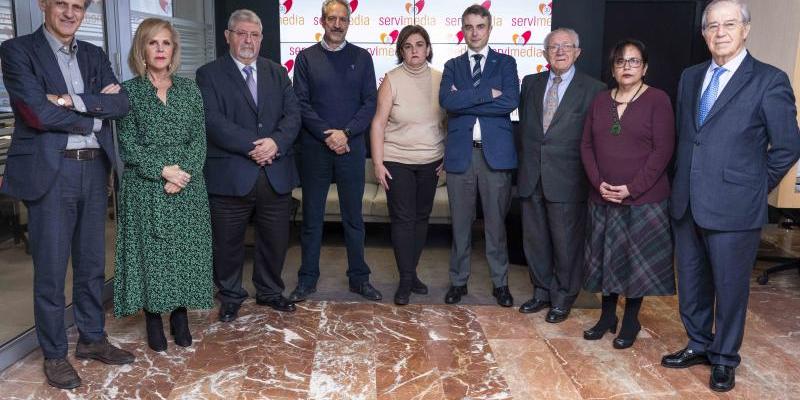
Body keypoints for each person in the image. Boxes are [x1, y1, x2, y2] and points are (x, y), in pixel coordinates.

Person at [664, 0, 800, 392]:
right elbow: (691, 138)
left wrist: (755, 187)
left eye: (728, 24)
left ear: (746, 30)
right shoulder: (690, 77)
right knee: (691, 282)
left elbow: (788, 146)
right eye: (711, 26)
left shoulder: (769, 80)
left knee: (730, 287)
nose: (719, 32)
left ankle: (724, 358)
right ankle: (698, 343)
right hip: (687, 200)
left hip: (736, 206)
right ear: (703, 33)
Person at [0, 0, 134, 389]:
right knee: (52, 270)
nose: (70, 12)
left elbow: (121, 104)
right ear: (44, 5)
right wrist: (94, 113)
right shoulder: (18, 51)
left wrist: (68, 101)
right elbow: (36, 114)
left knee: (92, 264)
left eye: (78, 6)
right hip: (51, 171)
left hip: (94, 168)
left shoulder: (93, 54)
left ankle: (92, 339)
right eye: (62, 3)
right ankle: (56, 354)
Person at [113, 18, 213, 352]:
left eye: (166, 43)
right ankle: (153, 318)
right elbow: (127, 144)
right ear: (142, 48)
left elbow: (199, 141)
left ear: (173, 50)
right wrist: (163, 171)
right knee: (152, 254)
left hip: (188, 186)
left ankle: (180, 316)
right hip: (146, 186)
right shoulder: (129, 92)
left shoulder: (189, 90)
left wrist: (182, 174)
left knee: (183, 252)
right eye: (153, 43)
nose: (159, 49)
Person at [196, 9, 301, 322]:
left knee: (274, 239)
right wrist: (254, 146)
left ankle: (269, 291)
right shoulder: (208, 74)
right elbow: (212, 120)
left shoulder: (277, 72)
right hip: (231, 175)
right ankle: (230, 295)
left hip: (275, 172)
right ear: (228, 36)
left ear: (261, 39)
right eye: (241, 33)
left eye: (254, 35)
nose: (248, 40)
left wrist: (276, 143)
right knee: (227, 243)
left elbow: (293, 115)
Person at [580, 39, 675, 349]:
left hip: (643, 200)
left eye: (634, 61)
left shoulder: (658, 100)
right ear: (613, 68)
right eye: (621, 62)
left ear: (645, 67)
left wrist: (632, 188)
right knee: (605, 260)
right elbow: (586, 146)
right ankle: (608, 317)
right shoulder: (599, 100)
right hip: (603, 197)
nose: (627, 67)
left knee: (635, 263)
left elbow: (663, 151)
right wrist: (598, 183)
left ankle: (631, 321)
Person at [289, 0, 381, 302]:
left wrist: (347, 133)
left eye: (342, 19)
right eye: (332, 18)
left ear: (349, 22)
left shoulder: (362, 58)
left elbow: (370, 102)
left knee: (353, 218)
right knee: (312, 218)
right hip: (315, 149)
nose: (337, 24)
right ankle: (307, 280)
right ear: (322, 21)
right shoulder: (305, 59)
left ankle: (359, 278)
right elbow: (300, 103)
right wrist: (328, 134)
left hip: (351, 148)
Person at [517, 28, 605, 323]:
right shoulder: (530, 83)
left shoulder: (594, 89)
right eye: (553, 47)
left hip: (569, 179)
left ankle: (563, 297)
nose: (560, 51)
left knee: (566, 242)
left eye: (566, 46)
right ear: (544, 53)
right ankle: (541, 292)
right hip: (532, 176)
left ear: (577, 52)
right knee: (536, 239)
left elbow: (596, 138)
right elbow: (527, 131)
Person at [439, 4, 519, 307]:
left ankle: (501, 284)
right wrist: (488, 94)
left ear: (489, 28)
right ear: (463, 29)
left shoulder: (506, 63)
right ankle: (458, 282)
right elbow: (448, 100)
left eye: (480, 26)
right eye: (469, 27)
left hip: (495, 156)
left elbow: (510, 101)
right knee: (460, 224)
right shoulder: (452, 65)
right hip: (462, 155)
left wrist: (466, 98)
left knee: (496, 225)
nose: (474, 32)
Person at [369, 25, 446, 305]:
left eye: (419, 45)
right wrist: (378, 163)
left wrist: (446, 158)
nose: (414, 51)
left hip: (431, 161)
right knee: (402, 220)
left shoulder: (441, 79)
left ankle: (411, 273)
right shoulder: (391, 79)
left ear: (428, 48)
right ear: (401, 50)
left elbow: (451, 123)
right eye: (408, 46)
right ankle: (405, 279)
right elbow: (378, 123)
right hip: (397, 160)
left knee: (421, 218)